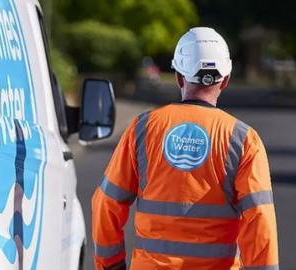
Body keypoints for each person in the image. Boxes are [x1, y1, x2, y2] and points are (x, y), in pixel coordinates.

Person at [91, 27, 279, 270]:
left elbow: (106, 203)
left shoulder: (143, 128)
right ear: (226, 80)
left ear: (179, 76)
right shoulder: (243, 139)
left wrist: (110, 265)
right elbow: (260, 220)